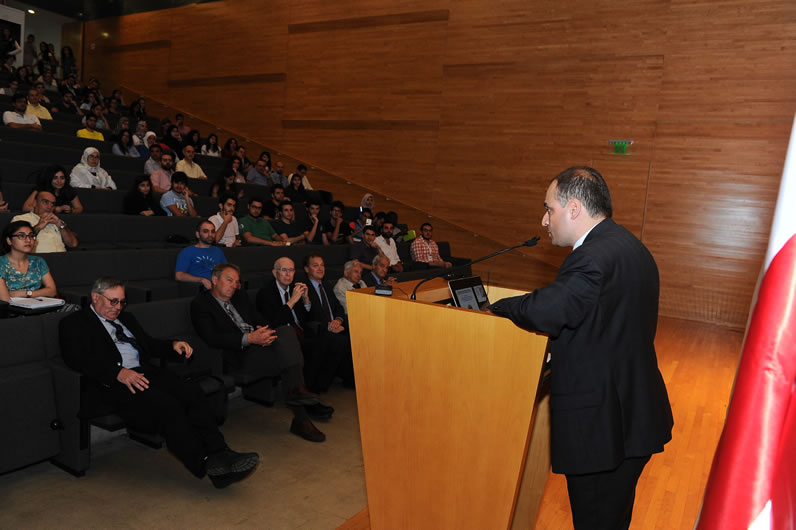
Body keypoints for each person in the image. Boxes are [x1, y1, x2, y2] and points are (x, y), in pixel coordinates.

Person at [487, 166, 673, 529]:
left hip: (603, 428)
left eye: (549, 209)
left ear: (574, 208)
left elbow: (550, 309)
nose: (544, 220)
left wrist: (498, 306)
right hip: (634, 413)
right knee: (612, 519)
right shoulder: (631, 247)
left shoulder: (591, 257)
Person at [59, 276, 259, 488]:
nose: (118, 307)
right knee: (168, 406)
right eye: (113, 301)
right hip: (113, 382)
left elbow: (149, 344)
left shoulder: (126, 318)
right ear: (95, 297)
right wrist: (117, 372)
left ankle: (221, 451)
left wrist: (172, 346)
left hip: (144, 372)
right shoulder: (74, 323)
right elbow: (76, 359)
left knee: (192, 392)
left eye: (122, 302)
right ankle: (206, 463)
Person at [191, 263, 333, 440]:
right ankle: (300, 408)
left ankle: (298, 399)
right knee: (289, 361)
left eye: (236, 281)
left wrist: (265, 332)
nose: (234, 285)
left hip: (261, 344)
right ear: (214, 279)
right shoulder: (200, 304)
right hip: (239, 355)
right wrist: (249, 339)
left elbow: (260, 319)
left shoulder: (240, 296)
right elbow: (211, 337)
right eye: (229, 280)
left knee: (286, 332)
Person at [257, 257, 347, 395]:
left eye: (291, 270)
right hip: (282, 338)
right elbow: (274, 321)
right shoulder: (265, 293)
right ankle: (305, 389)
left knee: (338, 341)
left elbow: (309, 318)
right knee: (319, 344)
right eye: (284, 270)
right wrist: (292, 300)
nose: (288, 274)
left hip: (302, 332)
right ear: (275, 273)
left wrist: (306, 300)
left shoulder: (295, 288)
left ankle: (320, 386)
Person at [301, 254, 354, 387]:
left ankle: (352, 378)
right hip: (317, 330)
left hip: (334, 326)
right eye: (315, 265)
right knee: (340, 341)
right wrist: (328, 326)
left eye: (322, 265)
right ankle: (321, 384)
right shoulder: (303, 289)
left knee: (355, 333)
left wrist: (338, 321)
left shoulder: (326, 285)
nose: (320, 268)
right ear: (307, 269)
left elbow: (339, 308)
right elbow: (306, 317)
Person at [0, 220, 58, 301]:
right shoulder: (1, 263)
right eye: (21, 236)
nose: (28, 240)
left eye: (31, 236)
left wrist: (27, 293)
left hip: (38, 305)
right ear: (9, 240)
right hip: (11, 307)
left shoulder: (38, 261)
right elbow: (5, 300)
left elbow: (52, 291)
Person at [12, 190, 79, 252]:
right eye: (45, 202)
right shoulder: (21, 219)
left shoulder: (56, 221)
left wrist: (61, 225)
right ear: (35, 203)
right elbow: (17, 243)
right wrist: (38, 227)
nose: (49, 207)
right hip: (39, 259)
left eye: (52, 204)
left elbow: (73, 244)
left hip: (62, 258)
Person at [175, 220, 227, 289]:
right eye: (206, 231)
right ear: (198, 234)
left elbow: (226, 271)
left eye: (213, 231)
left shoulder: (218, 251)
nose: (210, 235)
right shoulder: (187, 251)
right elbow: (179, 276)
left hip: (219, 286)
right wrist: (201, 280)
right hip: (200, 288)